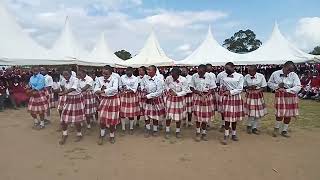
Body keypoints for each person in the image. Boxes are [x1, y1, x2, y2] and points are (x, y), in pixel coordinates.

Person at [268, 61, 301, 138]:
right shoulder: (275, 73)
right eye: (288, 69)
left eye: (291, 70)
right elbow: (269, 83)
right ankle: (276, 129)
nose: (289, 71)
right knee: (280, 113)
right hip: (280, 95)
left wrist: (287, 90)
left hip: (291, 95)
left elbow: (298, 86)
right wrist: (277, 86)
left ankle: (284, 130)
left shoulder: (294, 75)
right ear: (284, 66)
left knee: (288, 114)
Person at [220, 62, 245, 145]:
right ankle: (226, 134)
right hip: (226, 98)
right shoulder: (223, 76)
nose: (226, 70)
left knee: (234, 117)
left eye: (227, 68)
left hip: (236, 98)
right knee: (227, 116)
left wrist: (230, 92)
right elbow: (221, 85)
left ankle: (234, 134)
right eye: (225, 68)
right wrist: (223, 90)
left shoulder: (240, 76)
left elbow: (240, 89)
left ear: (233, 67)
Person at [190, 64, 216, 141]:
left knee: (205, 117)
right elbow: (191, 87)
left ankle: (204, 133)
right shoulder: (194, 76)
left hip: (207, 97)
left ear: (205, 71)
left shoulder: (210, 76)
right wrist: (198, 92)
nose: (199, 73)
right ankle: (198, 132)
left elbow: (212, 88)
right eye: (198, 71)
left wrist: (206, 95)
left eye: (201, 72)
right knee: (197, 116)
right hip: (197, 97)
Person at [58, 70, 85, 145]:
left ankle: (79, 134)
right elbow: (62, 85)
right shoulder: (63, 80)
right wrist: (63, 90)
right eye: (64, 75)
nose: (65, 76)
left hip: (77, 99)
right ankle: (64, 134)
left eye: (67, 75)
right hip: (69, 99)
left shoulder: (75, 79)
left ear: (70, 74)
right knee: (64, 117)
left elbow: (73, 88)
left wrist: (64, 93)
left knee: (77, 119)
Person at [95, 66, 120, 145]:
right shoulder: (99, 79)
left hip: (113, 100)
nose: (104, 75)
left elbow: (115, 89)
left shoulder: (115, 79)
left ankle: (112, 135)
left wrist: (102, 90)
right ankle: (102, 135)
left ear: (111, 73)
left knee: (112, 119)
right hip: (104, 100)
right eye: (103, 73)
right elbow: (95, 89)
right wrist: (99, 91)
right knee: (102, 118)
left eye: (106, 73)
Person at [164, 67, 188, 139]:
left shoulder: (184, 80)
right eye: (172, 75)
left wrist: (177, 94)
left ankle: (178, 131)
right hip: (170, 99)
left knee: (179, 116)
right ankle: (167, 130)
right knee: (168, 116)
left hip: (179, 100)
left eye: (174, 75)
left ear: (179, 74)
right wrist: (169, 89)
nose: (172, 76)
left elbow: (185, 91)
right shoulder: (168, 78)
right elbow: (165, 85)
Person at [243, 65, 267, 135]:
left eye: (250, 71)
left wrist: (258, 90)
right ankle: (249, 125)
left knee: (258, 113)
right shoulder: (246, 77)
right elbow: (244, 86)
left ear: (255, 71)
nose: (249, 72)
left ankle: (254, 127)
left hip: (258, 95)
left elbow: (264, 86)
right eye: (248, 71)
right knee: (251, 112)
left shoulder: (261, 76)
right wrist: (249, 87)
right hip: (250, 95)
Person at [143, 65, 165, 137]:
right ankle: (148, 129)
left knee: (155, 116)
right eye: (147, 70)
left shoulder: (159, 80)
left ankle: (155, 130)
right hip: (147, 100)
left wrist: (149, 96)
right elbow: (142, 85)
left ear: (155, 71)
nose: (148, 71)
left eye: (150, 70)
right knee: (146, 115)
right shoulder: (145, 78)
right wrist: (143, 89)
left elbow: (159, 92)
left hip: (155, 100)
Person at [120, 67, 140, 135]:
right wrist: (122, 88)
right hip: (123, 96)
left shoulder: (135, 78)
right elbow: (120, 86)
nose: (128, 72)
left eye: (130, 71)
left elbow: (135, 88)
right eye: (127, 71)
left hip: (132, 97)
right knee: (122, 113)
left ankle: (131, 128)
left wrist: (128, 90)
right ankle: (123, 128)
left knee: (131, 113)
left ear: (132, 71)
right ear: (125, 71)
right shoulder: (122, 77)